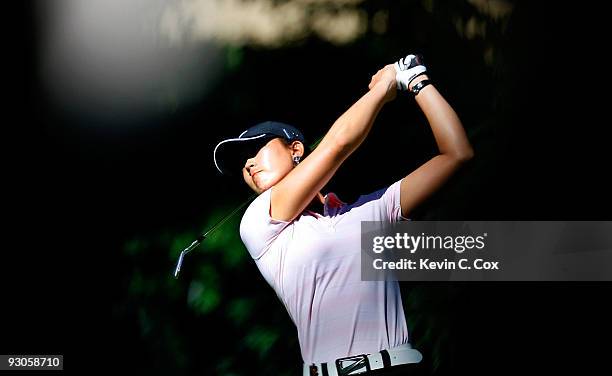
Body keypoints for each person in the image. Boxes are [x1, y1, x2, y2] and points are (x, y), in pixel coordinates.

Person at [213, 54, 474, 376]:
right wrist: (383, 86)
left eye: (255, 149)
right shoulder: (258, 222)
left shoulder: (369, 213)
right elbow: (337, 145)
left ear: (296, 150)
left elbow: (457, 155)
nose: (248, 164)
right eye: (241, 162)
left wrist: (415, 80)